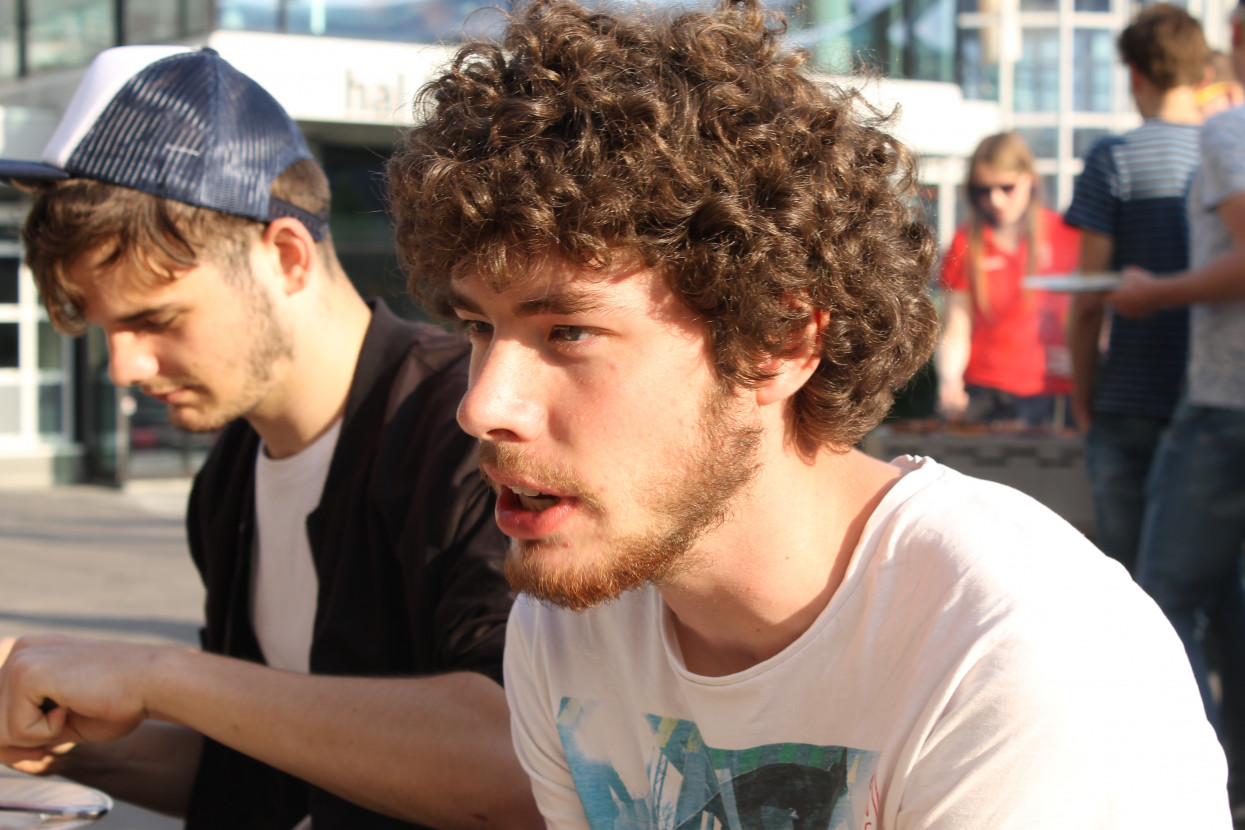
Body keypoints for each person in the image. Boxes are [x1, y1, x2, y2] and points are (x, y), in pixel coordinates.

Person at [386, 0, 1230, 825]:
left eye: (567, 330)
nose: (481, 404)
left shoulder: (1012, 654)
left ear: (779, 341)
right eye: (476, 326)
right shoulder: (568, 625)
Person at [0, 45, 540, 830]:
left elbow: (519, 761)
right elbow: (259, 767)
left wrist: (161, 674)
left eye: (156, 319)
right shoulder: (229, 476)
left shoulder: (465, 429)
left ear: (286, 256)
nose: (124, 366)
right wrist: (52, 719)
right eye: (107, 329)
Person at [1110, 0, 1245, 817]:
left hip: (1225, 405)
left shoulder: (1228, 134)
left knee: (1156, 602)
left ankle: (1175, 791)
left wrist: (1154, 293)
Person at [1063, 2, 1207, 576]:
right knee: (1210, 585)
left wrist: (1082, 396)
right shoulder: (1226, 156)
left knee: (1127, 583)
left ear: (1134, 74)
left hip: (1130, 398)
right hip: (1209, 397)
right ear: (1200, 73)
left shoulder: (1113, 158)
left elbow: (1089, 298)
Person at [935, 132, 1080, 427]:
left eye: (1007, 187)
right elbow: (956, 327)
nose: (996, 200)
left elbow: (1093, 309)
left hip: (1053, 392)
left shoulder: (1066, 234)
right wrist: (949, 380)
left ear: (1029, 179)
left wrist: (1084, 356)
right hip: (986, 392)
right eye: (984, 190)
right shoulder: (966, 242)